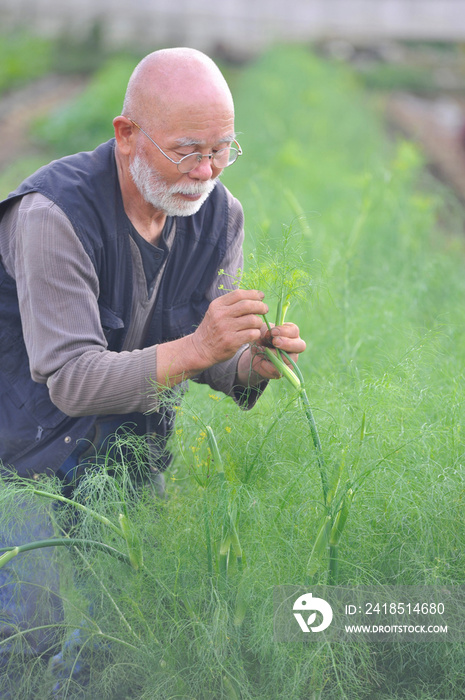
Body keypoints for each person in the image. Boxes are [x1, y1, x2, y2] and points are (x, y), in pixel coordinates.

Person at [0, 47, 306, 694]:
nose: (206, 171)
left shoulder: (220, 215)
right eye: (187, 150)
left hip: (128, 459)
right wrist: (200, 346)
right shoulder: (52, 217)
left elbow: (203, 352)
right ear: (126, 134)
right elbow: (76, 380)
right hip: (21, 458)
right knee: (27, 642)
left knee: (123, 635)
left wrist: (248, 360)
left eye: (223, 149)